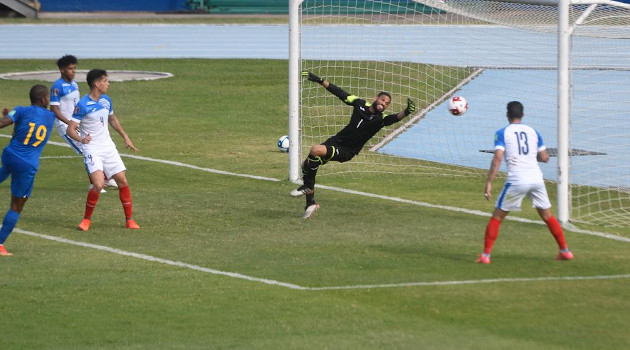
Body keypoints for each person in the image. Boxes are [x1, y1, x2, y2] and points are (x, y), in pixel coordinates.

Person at [291, 71, 416, 219]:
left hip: (346, 151)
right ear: (375, 98)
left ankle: (307, 188)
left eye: (387, 103)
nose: (384, 104)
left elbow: (396, 118)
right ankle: (310, 203)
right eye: (382, 100)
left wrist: (407, 111)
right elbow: (340, 93)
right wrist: (320, 80)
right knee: (305, 166)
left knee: (315, 150)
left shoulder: (381, 119)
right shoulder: (359, 103)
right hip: (335, 141)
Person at [477, 101, 573, 264]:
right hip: (536, 178)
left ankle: (485, 256)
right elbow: (544, 157)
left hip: (517, 179)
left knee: (497, 217)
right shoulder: (533, 131)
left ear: (507, 114)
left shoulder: (502, 133)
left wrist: (489, 182)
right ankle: (565, 251)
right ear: (523, 115)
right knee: (548, 216)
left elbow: (498, 157)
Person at [66, 69, 140, 231]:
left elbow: (112, 119)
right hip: (92, 148)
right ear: (96, 83)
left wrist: (125, 137)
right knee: (98, 184)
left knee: (122, 180)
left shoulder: (106, 100)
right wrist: (81, 139)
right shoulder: (83, 105)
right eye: (105, 81)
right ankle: (86, 220)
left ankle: (129, 220)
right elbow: (70, 130)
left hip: (108, 147)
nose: (108, 84)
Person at [0, 85, 56, 256]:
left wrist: (10, 115)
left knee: (7, 169)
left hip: (9, 155)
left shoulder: (20, 110)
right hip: (27, 163)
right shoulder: (50, 116)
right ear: (43, 99)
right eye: (47, 96)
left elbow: (4, 124)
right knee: (17, 206)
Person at [50, 54, 117, 193]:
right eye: (70, 68)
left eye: (74, 68)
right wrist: (70, 123)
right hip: (66, 126)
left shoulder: (74, 84)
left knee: (95, 146)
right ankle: (94, 183)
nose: (73, 71)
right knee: (87, 150)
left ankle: (106, 179)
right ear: (62, 69)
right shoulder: (57, 86)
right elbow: (54, 109)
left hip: (78, 124)